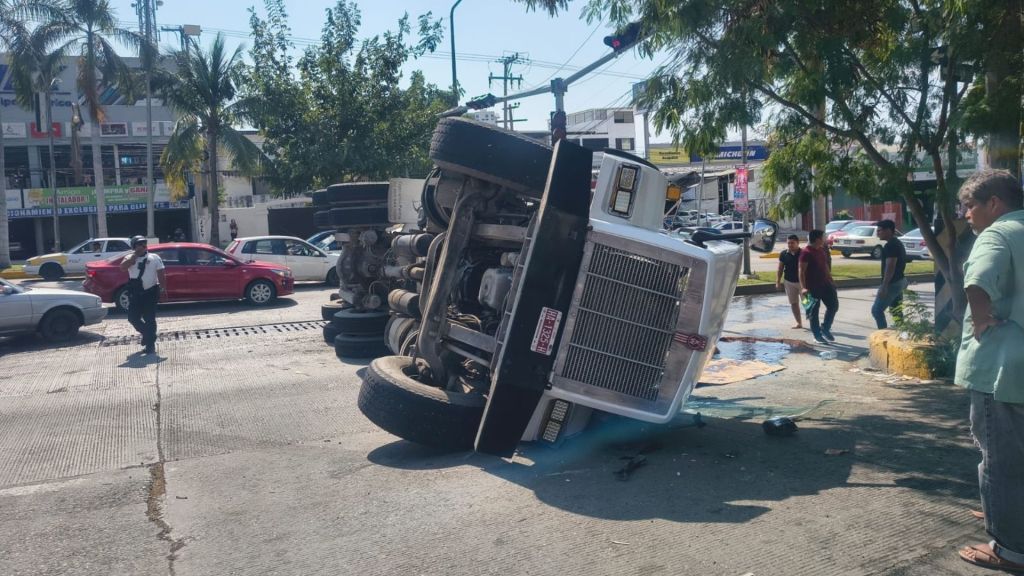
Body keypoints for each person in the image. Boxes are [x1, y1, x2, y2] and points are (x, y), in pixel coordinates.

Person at [953, 170, 1024, 574]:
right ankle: (1005, 511)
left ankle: (1010, 548)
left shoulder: (996, 235)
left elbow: (977, 281)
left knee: (999, 460)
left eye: (970, 206)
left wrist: (980, 321)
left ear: (994, 204)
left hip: (1004, 369)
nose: (965, 214)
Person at [120, 235, 166, 354]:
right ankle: (149, 335)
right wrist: (134, 256)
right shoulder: (130, 258)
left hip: (150, 292)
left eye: (144, 244)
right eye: (139, 244)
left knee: (149, 318)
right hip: (135, 293)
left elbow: (161, 273)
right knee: (132, 318)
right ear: (134, 246)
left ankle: (150, 345)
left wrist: (163, 288)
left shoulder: (154, 257)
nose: (142, 246)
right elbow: (122, 268)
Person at [798, 229, 838, 344]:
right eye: (823, 237)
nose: (824, 239)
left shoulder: (821, 250)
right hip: (811, 287)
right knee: (813, 312)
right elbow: (801, 271)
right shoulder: (806, 252)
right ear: (817, 239)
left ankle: (825, 328)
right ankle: (817, 335)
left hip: (826, 284)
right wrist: (803, 288)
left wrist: (831, 279)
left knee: (833, 306)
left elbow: (825, 266)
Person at [871, 219, 908, 328]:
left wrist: (884, 286)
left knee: (876, 310)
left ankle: (883, 335)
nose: (878, 233)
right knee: (896, 310)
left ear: (888, 230)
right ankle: (903, 335)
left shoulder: (891, 245)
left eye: (880, 230)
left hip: (893, 283)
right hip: (900, 280)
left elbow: (890, 266)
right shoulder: (896, 242)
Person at [776, 234, 803, 329]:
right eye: (788, 243)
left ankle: (813, 321)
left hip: (802, 284)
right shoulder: (784, 254)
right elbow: (780, 268)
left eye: (792, 243)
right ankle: (798, 322)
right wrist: (778, 281)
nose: (790, 245)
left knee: (807, 302)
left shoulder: (803, 253)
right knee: (794, 303)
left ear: (798, 243)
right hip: (789, 283)